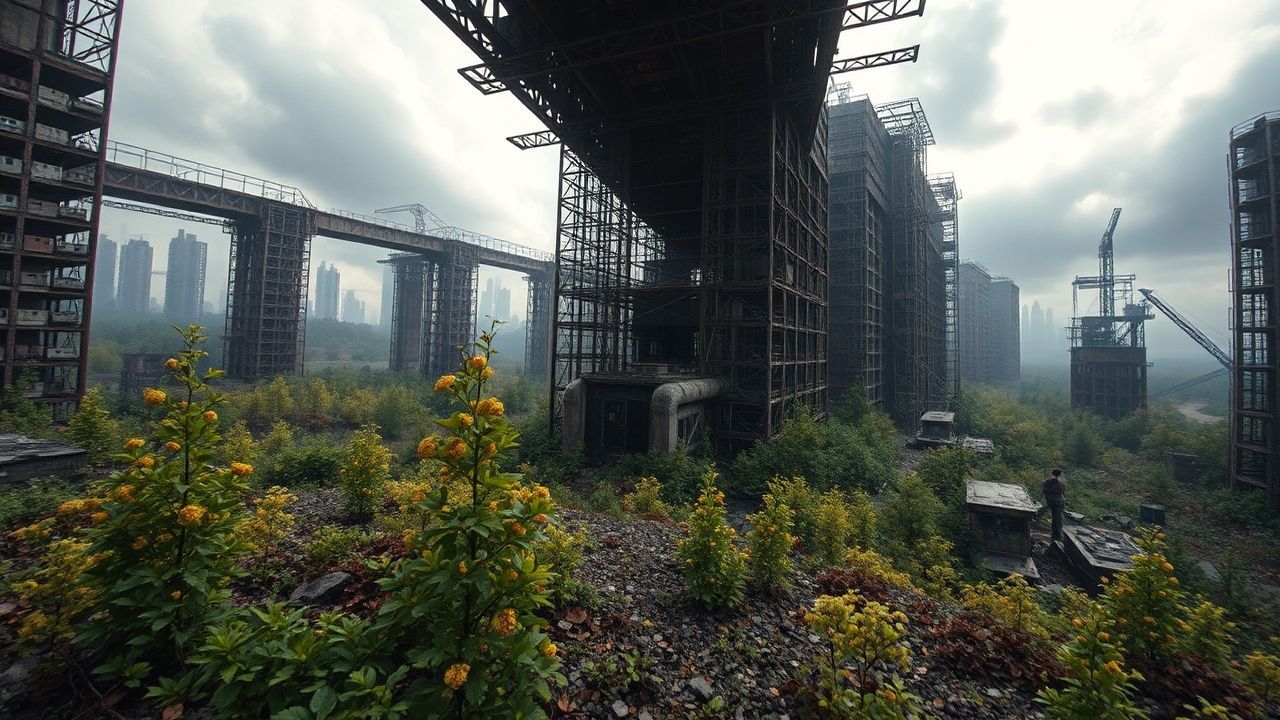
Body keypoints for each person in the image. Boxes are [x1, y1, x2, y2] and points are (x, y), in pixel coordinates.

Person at [1042, 468, 1066, 543]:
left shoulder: (1047, 482)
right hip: (1059, 503)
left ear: (1052, 473)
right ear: (1060, 474)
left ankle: (1056, 538)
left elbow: (1043, 491)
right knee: (1057, 521)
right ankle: (1057, 538)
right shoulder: (1061, 483)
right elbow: (1062, 493)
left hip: (1051, 502)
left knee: (1056, 521)